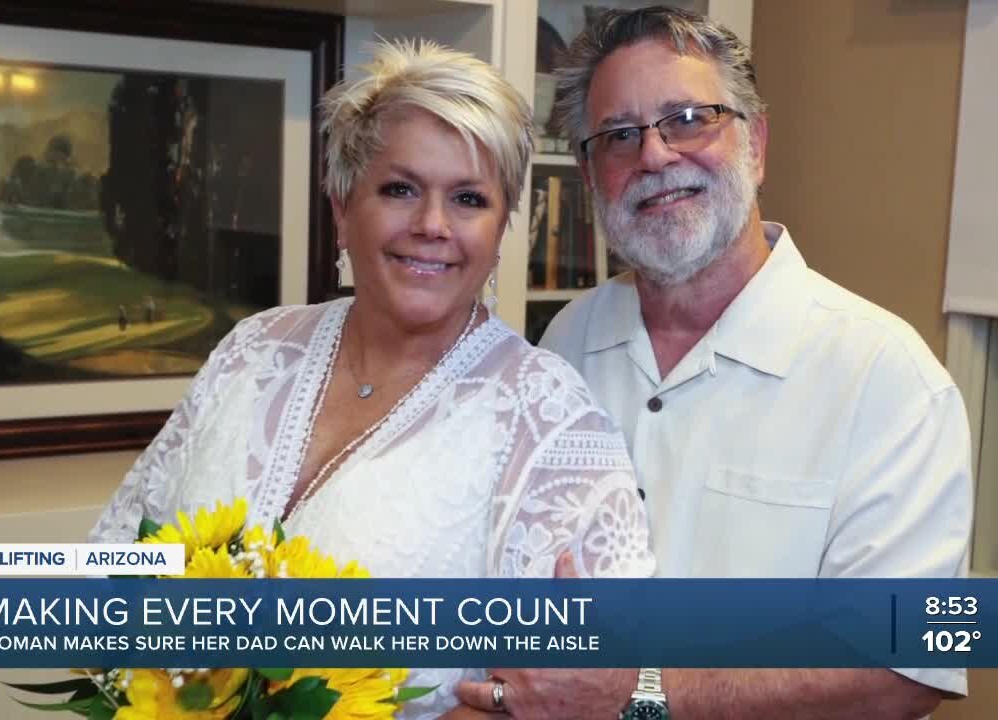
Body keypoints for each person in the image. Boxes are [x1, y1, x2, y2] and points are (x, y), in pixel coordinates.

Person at [88, 39, 655, 719]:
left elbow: (577, 694)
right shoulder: (254, 349)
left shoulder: (548, 419)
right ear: (340, 207)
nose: (432, 226)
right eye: (399, 189)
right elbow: (119, 559)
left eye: (469, 198)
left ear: (502, 227)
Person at [457, 7, 973, 719]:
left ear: (755, 143)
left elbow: (902, 670)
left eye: (690, 118)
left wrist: (638, 694)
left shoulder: (885, 378)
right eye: (619, 136)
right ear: (588, 171)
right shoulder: (566, 344)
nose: (656, 156)